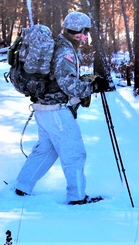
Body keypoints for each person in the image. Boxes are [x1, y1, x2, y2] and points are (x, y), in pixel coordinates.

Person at [14, 12, 110, 205]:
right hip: (56, 111)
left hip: (45, 109)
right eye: (85, 32)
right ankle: (77, 197)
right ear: (78, 32)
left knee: (46, 151)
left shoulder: (60, 46)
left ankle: (21, 188)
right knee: (75, 153)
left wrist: (85, 82)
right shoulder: (64, 52)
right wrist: (93, 86)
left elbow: (59, 79)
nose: (85, 37)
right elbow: (67, 84)